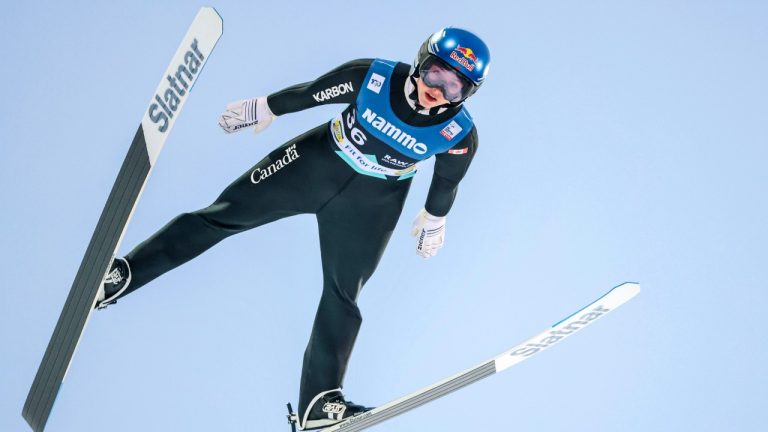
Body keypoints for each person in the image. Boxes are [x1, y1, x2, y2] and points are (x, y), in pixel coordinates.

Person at [96, 27, 490, 430]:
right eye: (436, 74)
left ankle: (319, 403)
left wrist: (435, 217)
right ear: (421, 62)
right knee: (221, 216)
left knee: (343, 294)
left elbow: (447, 181)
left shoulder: (459, 134)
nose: (438, 90)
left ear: (467, 94)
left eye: (455, 87)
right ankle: (122, 276)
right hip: (313, 166)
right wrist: (266, 107)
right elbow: (311, 93)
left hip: (371, 205)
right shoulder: (372, 76)